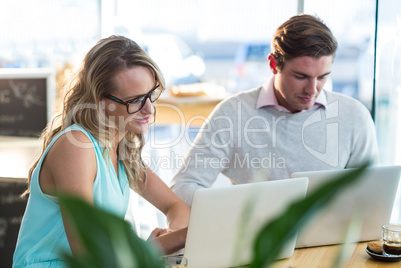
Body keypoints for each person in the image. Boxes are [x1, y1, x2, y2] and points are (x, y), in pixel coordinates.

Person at [13, 35, 190, 267]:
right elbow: (92, 253)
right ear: (101, 101)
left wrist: (170, 235)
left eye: (151, 94)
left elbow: (176, 207)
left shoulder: (122, 151)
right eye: (135, 100)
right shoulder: (76, 145)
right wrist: (180, 237)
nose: (149, 109)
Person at [170, 14, 379, 206]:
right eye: (301, 76)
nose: (312, 89)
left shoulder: (355, 117)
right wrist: (235, 213)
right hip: (258, 244)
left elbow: (370, 197)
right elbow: (182, 187)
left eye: (323, 77)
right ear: (273, 64)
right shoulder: (233, 114)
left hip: (334, 244)